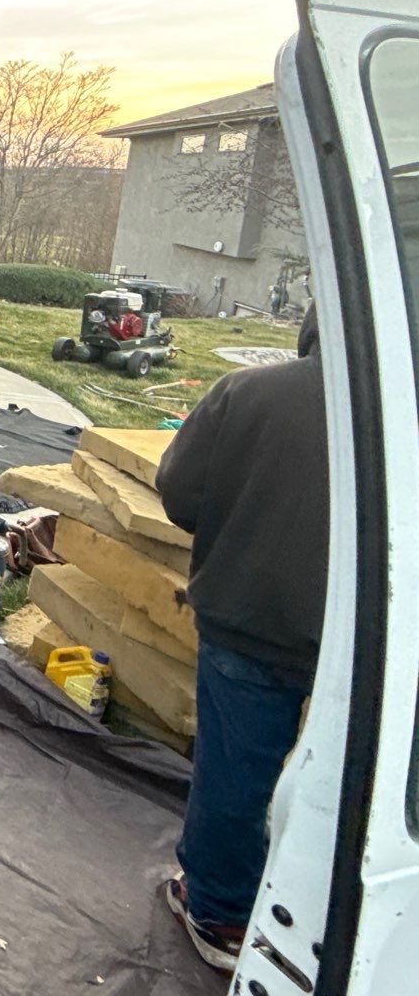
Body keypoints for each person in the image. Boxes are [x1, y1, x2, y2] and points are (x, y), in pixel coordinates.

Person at [156, 306, 327, 971]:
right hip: (366, 647)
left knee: (235, 775)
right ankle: (330, 910)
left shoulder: (250, 393)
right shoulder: (399, 412)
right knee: (352, 781)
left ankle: (221, 915)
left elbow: (179, 493)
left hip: (249, 622)